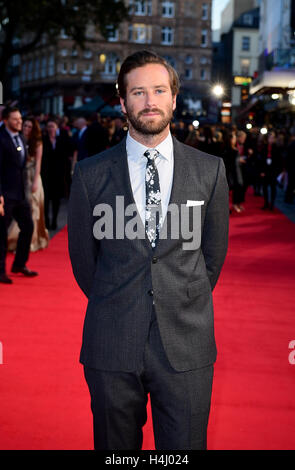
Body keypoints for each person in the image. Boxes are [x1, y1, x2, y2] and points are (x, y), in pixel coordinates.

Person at [68, 50, 229, 450]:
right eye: (138, 92)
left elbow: (213, 256)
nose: (149, 101)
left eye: (159, 90)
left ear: (174, 98)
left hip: (186, 343)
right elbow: (84, 262)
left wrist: (180, 295)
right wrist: (119, 297)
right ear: (122, 102)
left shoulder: (210, 171)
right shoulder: (91, 174)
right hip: (112, 340)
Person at [0, 107, 38, 284]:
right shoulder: (1, 138)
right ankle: (0, 270)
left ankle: (19, 264)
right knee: (2, 233)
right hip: (5, 194)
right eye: (15, 120)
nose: (19, 122)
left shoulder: (21, 137)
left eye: (20, 119)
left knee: (28, 227)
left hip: (19, 193)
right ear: (6, 119)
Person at [7, 116, 49, 252]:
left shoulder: (37, 142)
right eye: (25, 125)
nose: (26, 128)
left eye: (29, 126)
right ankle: (18, 240)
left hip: (33, 177)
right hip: (21, 178)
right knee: (23, 211)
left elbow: (38, 163)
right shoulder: (18, 139)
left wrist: (36, 181)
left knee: (34, 208)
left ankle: (33, 240)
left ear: (34, 128)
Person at [41, 118, 73, 230]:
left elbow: (69, 153)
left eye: (52, 126)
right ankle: (46, 220)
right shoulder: (43, 140)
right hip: (45, 174)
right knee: (45, 200)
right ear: (46, 128)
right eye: (49, 126)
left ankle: (54, 219)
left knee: (56, 199)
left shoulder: (62, 140)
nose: (51, 129)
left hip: (59, 174)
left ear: (57, 128)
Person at [260, 130, 283, 211]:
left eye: (273, 138)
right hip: (265, 171)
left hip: (273, 171)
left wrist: (277, 172)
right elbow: (261, 160)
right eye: (270, 138)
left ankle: (272, 204)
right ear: (268, 138)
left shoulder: (277, 148)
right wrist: (262, 171)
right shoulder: (264, 147)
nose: (271, 139)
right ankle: (266, 203)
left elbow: (280, 161)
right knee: (265, 188)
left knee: (273, 188)